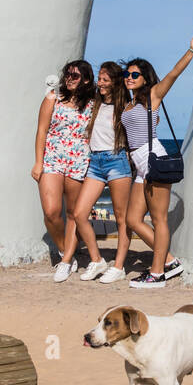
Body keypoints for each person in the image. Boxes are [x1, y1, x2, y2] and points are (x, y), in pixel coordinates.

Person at [125, 29, 193, 289]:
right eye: (127, 74)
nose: (130, 77)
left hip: (153, 160)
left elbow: (172, 74)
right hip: (139, 165)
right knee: (133, 220)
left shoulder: (153, 96)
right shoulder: (128, 103)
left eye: (135, 74)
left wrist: (192, 51)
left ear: (145, 77)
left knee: (159, 219)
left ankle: (157, 273)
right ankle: (170, 261)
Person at [72, 62, 136, 284]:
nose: (100, 83)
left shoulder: (125, 107)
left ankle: (118, 266)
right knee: (79, 213)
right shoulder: (95, 104)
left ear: (115, 83)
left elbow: (145, 121)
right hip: (95, 163)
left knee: (121, 219)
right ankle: (97, 259)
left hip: (117, 161)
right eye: (99, 78)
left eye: (105, 80)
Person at [34, 60, 95, 282]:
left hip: (79, 159)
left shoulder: (92, 104)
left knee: (73, 214)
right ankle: (62, 249)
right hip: (52, 157)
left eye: (75, 76)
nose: (69, 78)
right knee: (51, 212)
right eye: (67, 74)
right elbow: (41, 131)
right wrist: (38, 162)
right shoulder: (53, 98)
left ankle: (67, 260)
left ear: (86, 79)